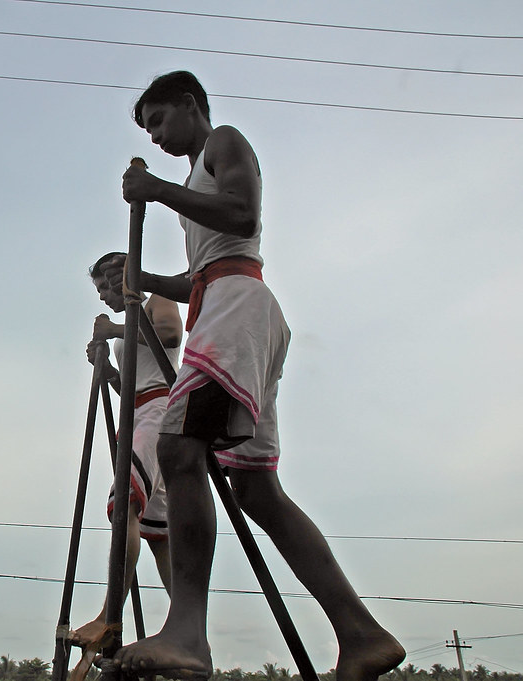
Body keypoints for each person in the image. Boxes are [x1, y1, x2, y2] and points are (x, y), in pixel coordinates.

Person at [102, 71, 405, 681]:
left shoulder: (224, 143)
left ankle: (187, 634)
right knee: (257, 491)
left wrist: (154, 190)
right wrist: (146, 282)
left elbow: (242, 216)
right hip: (227, 300)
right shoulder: (195, 177)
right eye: (149, 129)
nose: (157, 135)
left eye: (160, 120)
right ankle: (362, 634)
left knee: (178, 448)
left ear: (190, 105)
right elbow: (200, 275)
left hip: (237, 309)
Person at [68, 252, 183, 653]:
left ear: (121, 276)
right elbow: (135, 383)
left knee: (124, 505)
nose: (102, 296)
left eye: (105, 286)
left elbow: (169, 334)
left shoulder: (155, 301)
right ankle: (185, 625)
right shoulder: (133, 318)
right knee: (160, 534)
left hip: (158, 411)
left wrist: (116, 329)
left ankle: (109, 616)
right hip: (139, 413)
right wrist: (112, 375)